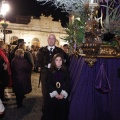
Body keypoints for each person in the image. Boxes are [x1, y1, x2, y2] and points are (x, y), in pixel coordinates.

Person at [36, 34, 68, 109]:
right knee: (45, 92)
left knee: (56, 90)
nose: (51, 40)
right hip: (45, 74)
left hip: (56, 75)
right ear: (47, 40)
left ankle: (55, 108)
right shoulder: (42, 50)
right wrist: (46, 65)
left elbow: (65, 62)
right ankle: (45, 108)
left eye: (53, 38)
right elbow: (37, 63)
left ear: (55, 40)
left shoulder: (60, 50)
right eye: (49, 38)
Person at [41, 53, 70, 120]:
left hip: (62, 95)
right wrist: (55, 94)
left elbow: (68, 83)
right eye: (57, 60)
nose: (59, 62)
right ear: (54, 61)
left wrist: (63, 94)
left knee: (61, 114)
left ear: (62, 61)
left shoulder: (65, 71)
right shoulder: (50, 71)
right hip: (53, 95)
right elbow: (48, 83)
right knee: (51, 113)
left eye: (60, 60)